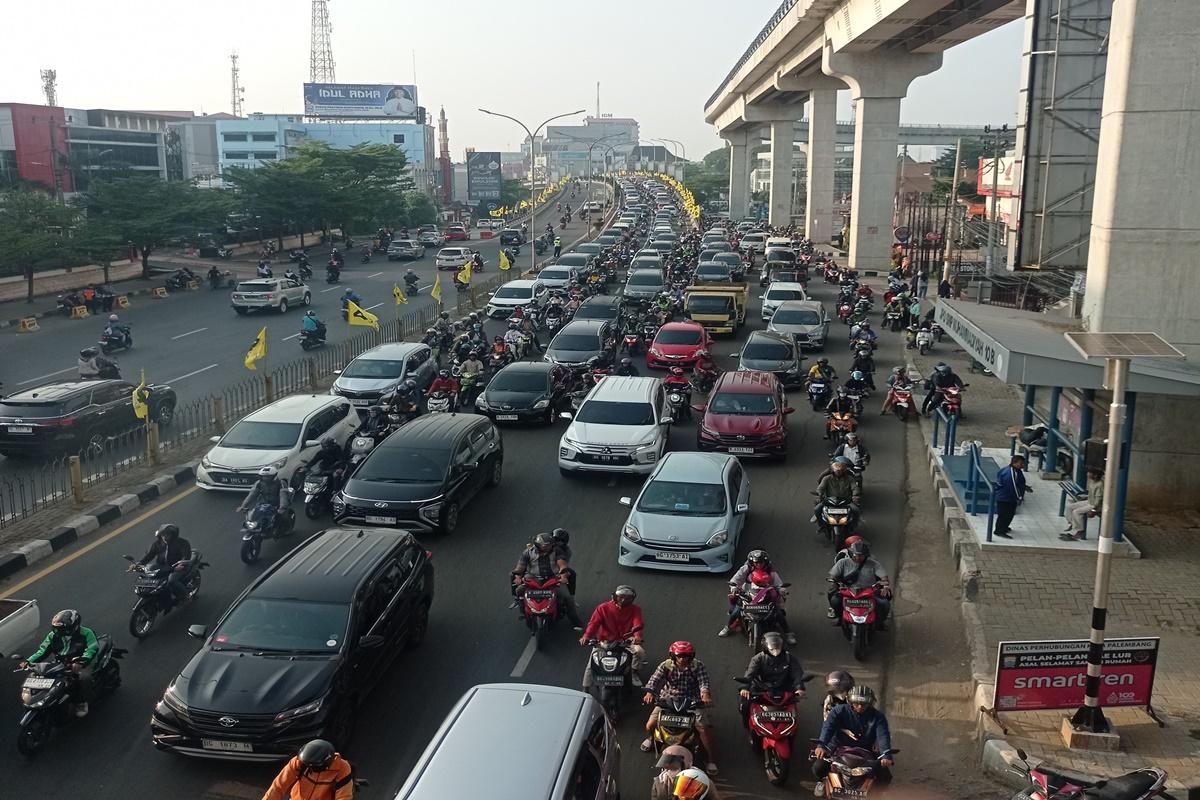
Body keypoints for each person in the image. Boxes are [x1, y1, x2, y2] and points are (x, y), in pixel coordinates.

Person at [641, 641, 719, 775]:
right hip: (668, 698)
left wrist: (705, 695)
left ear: (691, 656)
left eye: (686, 656)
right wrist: (649, 693)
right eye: (680, 656)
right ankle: (652, 737)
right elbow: (654, 680)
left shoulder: (698, 666)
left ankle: (710, 759)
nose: (683, 659)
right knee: (650, 725)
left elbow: (703, 682)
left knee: (702, 729)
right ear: (673, 656)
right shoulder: (665, 666)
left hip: (692, 700)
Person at [812, 685, 893, 796]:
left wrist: (886, 755)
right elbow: (828, 728)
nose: (860, 706)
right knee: (818, 767)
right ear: (850, 701)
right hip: (837, 747)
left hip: (867, 750)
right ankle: (821, 782)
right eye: (856, 703)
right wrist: (821, 745)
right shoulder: (838, 711)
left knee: (885, 777)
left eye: (864, 704)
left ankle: (874, 795)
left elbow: (883, 735)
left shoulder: (878, 717)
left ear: (870, 704)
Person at [22, 609, 100, 717]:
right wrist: (29, 661)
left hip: (83, 662)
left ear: (75, 626)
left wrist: (81, 661)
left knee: (83, 678)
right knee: (38, 675)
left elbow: (92, 649)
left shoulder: (87, 633)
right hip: (61, 663)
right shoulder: (53, 635)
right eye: (57, 628)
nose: (60, 631)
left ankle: (82, 702)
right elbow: (43, 651)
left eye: (64, 629)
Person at [718, 550, 795, 644]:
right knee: (736, 612)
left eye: (761, 562)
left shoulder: (771, 571)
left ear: (765, 562)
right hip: (748, 594)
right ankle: (728, 627)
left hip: (767, 595)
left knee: (778, 613)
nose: (759, 564)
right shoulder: (746, 569)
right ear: (752, 562)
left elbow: (779, 584)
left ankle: (788, 633)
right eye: (756, 562)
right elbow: (735, 579)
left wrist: (781, 589)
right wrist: (734, 587)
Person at [512, 532, 583, 629]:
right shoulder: (527, 552)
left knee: (567, 597)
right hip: (533, 578)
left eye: (550, 544)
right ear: (538, 545)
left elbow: (562, 564)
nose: (549, 546)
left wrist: (563, 575)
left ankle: (574, 620)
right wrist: (518, 577)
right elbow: (520, 567)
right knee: (518, 591)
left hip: (553, 578)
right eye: (546, 545)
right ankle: (524, 611)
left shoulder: (556, 550)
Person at [580, 585, 646, 688]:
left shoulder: (635, 609)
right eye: (621, 597)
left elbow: (637, 623)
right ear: (615, 597)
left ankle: (633, 673)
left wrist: (637, 636)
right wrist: (586, 636)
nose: (624, 600)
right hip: (604, 641)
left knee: (639, 652)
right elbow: (594, 624)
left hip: (626, 640)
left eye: (627, 598)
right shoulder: (602, 608)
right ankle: (586, 687)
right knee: (592, 663)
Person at [739, 631, 807, 723]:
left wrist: (799, 688)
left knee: (792, 708)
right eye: (772, 649)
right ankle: (748, 724)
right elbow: (750, 674)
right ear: (766, 648)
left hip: (783, 688)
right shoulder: (758, 659)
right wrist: (745, 688)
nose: (775, 652)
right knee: (744, 706)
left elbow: (797, 674)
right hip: (761, 689)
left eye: (777, 649)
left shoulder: (790, 658)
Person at [263, 738, 355, 800]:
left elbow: (343, 797)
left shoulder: (342, 769)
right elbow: (278, 786)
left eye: (313, 766)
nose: (309, 768)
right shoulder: (300, 761)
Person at [827, 539, 891, 624]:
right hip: (847, 591)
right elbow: (833, 576)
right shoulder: (843, 562)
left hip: (869, 592)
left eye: (861, 556)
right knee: (834, 599)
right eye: (855, 555)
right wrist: (834, 582)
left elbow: (884, 577)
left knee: (884, 603)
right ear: (851, 553)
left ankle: (880, 622)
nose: (858, 557)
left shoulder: (874, 564)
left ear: (866, 555)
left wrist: (885, 586)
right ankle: (838, 616)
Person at [130, 523, 195, 605]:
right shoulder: (157, 544)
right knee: (148, 576)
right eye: (163, 535)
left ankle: (186, 595)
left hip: (177, 567)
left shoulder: (182, 543)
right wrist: (138, 564)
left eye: (167, 535)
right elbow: (148, 555)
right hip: (163, 567)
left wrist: (181, 564)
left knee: (171, 580)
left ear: (172, 535)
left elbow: (186, 556)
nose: (164, 537)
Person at [993, 454, 1031, 539]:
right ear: (1014, 463)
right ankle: (999, 531)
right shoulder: (1010, 474)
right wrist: (1019, 497)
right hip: (1005, 498)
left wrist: (1025, 487)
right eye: (1021, 463)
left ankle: (1004, 527)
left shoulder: (1014, 470)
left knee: (1009, 514)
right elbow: (1012, 487)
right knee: (1004, 515)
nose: (1023, 465)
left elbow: (1019, 483)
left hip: (1007, 497)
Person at [1062, 468, 1104, 541]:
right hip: (1089, 501)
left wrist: (1093, 510)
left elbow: (1098, 499)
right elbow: (1091, 493)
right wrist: (1084, 497)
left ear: (1095, 475)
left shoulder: (1100, 485)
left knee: (1076, 512)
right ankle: (1072, 523)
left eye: (1089, 473)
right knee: (1069, 507)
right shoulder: (1092, 482)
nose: (1087, 474)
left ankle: (1080, 530)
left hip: (1094, 505)